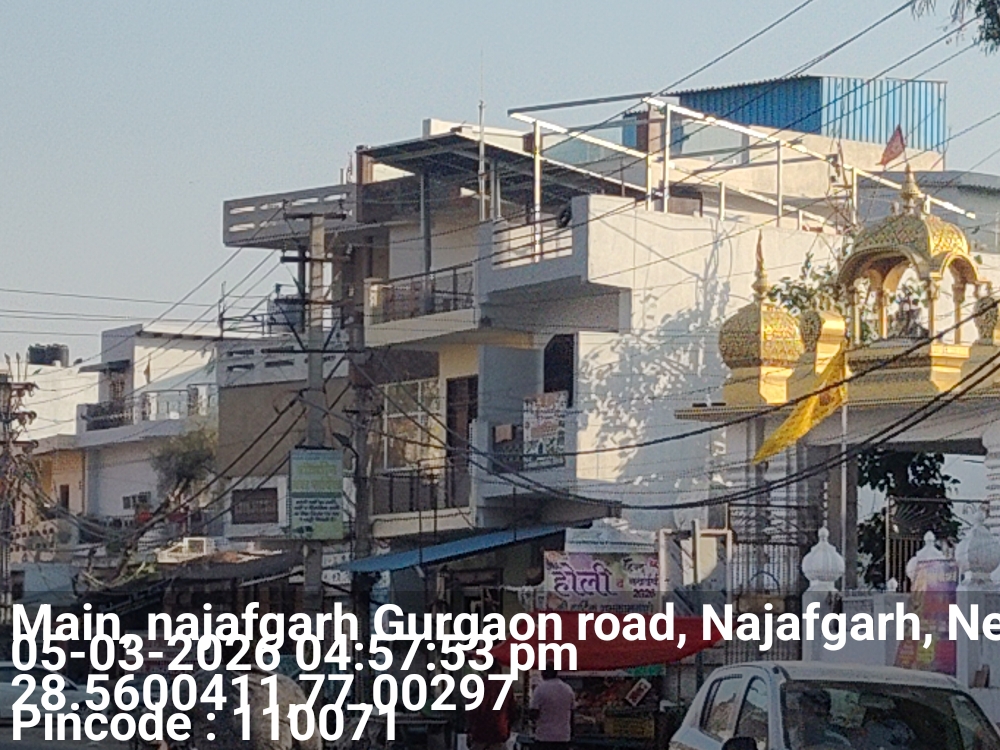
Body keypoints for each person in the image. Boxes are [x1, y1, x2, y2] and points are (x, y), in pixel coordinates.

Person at [465, 665, 515, 750]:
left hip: (481, 731)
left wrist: (469, 729)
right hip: (499, 731)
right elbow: (512, 711)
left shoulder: (481, 684)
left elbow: (472, 710)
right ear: (498, 670)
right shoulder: (505, 685)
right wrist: (508, 727)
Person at [529, 668, 576, 750]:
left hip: (544, 736)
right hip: (563, 736)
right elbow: (572, 713)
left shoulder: (540, 689)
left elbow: (534, 713)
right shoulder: (568, 689)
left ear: (543, 673)